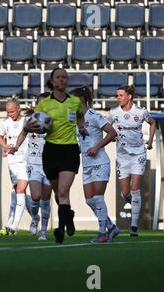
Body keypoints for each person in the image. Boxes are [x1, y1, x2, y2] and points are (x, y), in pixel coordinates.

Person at [23, 68, 85, 244]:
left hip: (70, 150)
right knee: (58, 194)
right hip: (51, 151)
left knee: (64, 191)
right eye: (58, 77)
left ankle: (60, 230)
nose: (62, 80)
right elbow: (32, 124)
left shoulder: (74, 101)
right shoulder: (44, 104)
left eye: (64, 77)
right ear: (52, 81)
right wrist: (30, 127)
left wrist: (81, 127)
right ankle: (69, 216)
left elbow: (80, 116)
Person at [70, 86, 120, 243]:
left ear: (82, 100)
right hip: (86, 163)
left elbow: (112, 133)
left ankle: (102, 233)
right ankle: (111, 227)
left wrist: (97, 147)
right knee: (89, 200)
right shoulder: (74, 118)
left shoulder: (94, 115)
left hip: (100, 161)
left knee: (98, 198)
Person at [107, 85, 156, 237]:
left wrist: (150, 141)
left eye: (121, 95)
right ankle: (130, 199)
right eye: (118, 95)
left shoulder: (141, 111)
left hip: (138, 154)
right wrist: (111, 135)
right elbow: (106, 126)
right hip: (122, 156)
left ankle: (134, 226)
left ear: (129, 97)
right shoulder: (114, 113)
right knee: (125, 192)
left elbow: (152, 122)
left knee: (135, 188)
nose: (118, 98)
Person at [12, 93, 52, 240]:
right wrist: (16, 146)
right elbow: (23, 134)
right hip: (33, 163)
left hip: (49, 163)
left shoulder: (53, 120)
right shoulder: (30, 120)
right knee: (35, 196)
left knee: (46, 198)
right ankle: (35, 217)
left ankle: (44, 232)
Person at [0, 96, 29, 235]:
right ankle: (34, 217)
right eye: (8, 112)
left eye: (12, 112)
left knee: (21, 188)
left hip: (26, 159)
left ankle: (15, 224)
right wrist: (5, 147)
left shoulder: (26, 122)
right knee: (17, 191)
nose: (10, 114)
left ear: (18, 109)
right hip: (13, 161)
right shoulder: (6, 123)